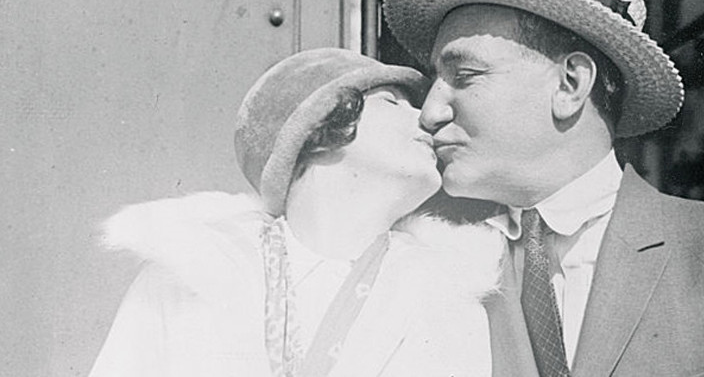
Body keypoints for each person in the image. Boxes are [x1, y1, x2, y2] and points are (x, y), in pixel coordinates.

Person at [383, 0, 704, 377]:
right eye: (435, 80)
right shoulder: (424, 263)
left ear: (570, 84)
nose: (430, 112)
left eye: (465, 75)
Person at [88, 48, 505, 377]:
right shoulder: (190, 273)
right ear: (319, 130)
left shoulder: (449, 297)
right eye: (392, 103)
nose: (427, 119)